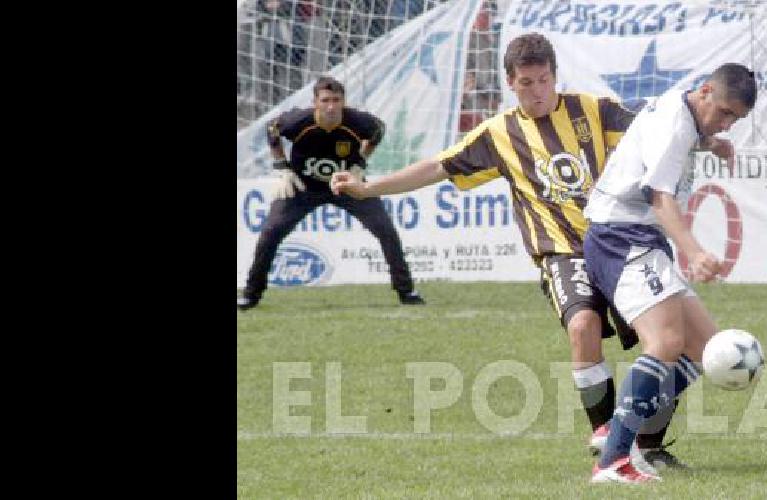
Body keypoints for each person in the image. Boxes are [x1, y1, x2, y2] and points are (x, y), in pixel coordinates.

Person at [331, 33, 733, 470]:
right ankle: (607, 438)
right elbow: (436, 166)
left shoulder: (591, 109)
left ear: (555, 77)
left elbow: (656, 131)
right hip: (562, 252)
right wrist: (369, 189)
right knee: (583, 327)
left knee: (675, 345)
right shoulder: (499, 134)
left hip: (620, 241)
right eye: (527, 83)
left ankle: (646, 444)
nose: (537, 91)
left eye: (544, 80)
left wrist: (708, 142)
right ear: (510, 83)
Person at [582, 62, 757, 484]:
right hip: (621, 237)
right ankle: (613, 460)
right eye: (724, 113)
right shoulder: (676, 126)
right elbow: (659, 195)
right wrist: (694, 251)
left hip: (640, 238)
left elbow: (677, 138)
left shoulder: (686, 116)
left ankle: (622, 428)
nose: (727, 123)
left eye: (735, 119)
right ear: (705, 90)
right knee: (665, 343)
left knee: (703, 352)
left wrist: (712, 142)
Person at [238, 76, 426, 310]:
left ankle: (406, 292)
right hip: (303, 187)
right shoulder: (298, 121)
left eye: (336, 100)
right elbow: (271, 129)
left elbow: (379, 130)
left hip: (347, 184)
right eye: (325, 100)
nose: (331, 106)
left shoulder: (357, 121)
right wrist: (282, 168)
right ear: (315, 102)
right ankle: (250, 295)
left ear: (343, 101)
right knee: (270, 232)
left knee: (385, 229)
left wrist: (360, 164)